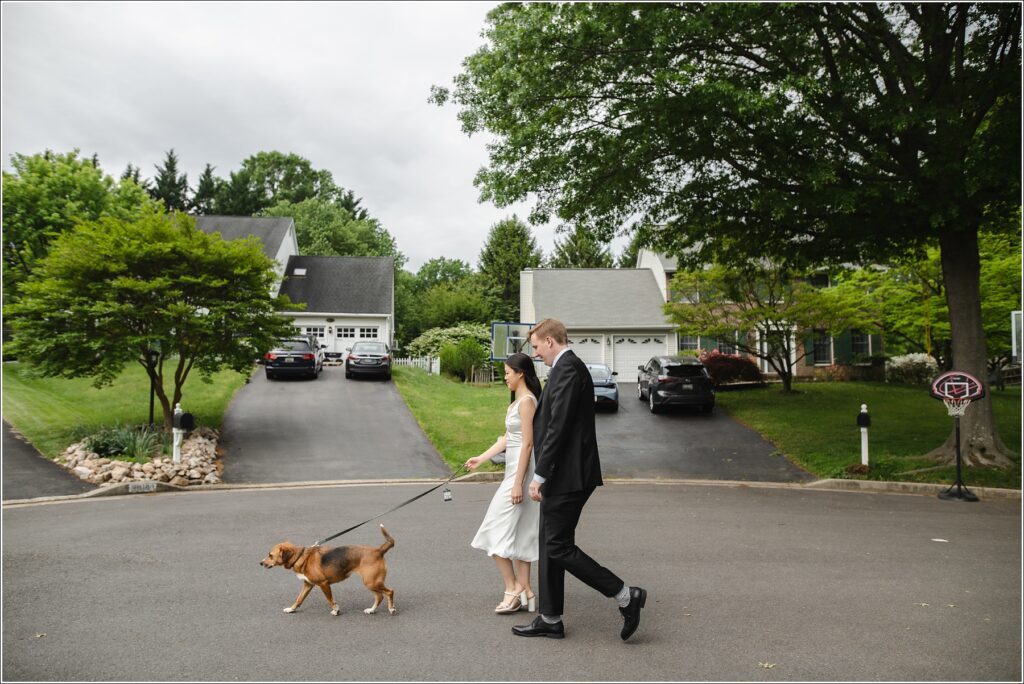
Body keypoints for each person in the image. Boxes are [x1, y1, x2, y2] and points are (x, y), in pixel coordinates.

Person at [512, 318, 647, 641]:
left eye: (536, 348)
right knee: (551, 544)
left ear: (550, 341)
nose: (535, 355)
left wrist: (539, 475)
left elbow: (559, 426)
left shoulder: (569, 369)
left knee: (557, 545)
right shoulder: (563, 369)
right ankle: (550, 618)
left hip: (569, 474)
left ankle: (626, 596)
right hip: (564, 473)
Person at [465, 352, 542, 614]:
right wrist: (481, 458)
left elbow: (528, 443)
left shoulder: (527, 402)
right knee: (520, 533)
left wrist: (518, 483)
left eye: (508, 372)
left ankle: (513, 588)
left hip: (520, 474)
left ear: (521, 373)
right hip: (513, 473)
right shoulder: (518, 401)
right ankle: (526, 589)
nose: (505, 377)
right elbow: (509, 438)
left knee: (492, 529)